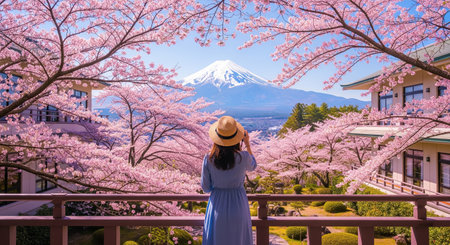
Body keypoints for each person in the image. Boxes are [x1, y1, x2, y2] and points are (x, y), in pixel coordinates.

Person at [201, 115, 257, 245]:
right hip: (238, 203)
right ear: (237, 138)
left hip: (217, 204)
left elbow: (205, 187)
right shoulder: (243, 157)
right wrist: (247, 143)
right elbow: (253, 166)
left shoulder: (208, 159)